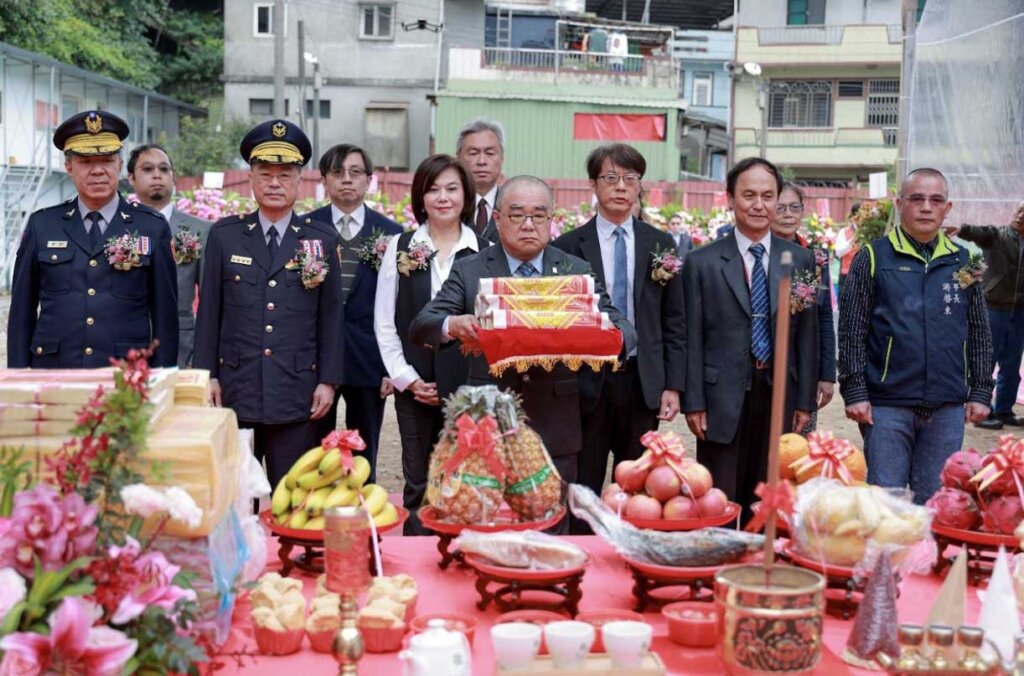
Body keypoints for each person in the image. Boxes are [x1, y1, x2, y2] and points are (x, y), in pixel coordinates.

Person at [410, 176, 637, 530]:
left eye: (539, 215)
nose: (528, 224)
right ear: (498, 219)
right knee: (484, 525)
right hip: (487, 428)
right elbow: (424, 323)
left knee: (552, 524)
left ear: (552, 220)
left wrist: (607, 336)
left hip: (556, 423)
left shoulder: (575, 270)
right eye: (517, 215)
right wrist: (455, 324)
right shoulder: (471, 270)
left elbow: (622, 327)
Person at [193, 119, 344, 488]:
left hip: (295, 390)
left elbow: (331, 319)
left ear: (299, 181)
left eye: (285, 174)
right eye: (265, 174)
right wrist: (207, 375)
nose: (274, 183)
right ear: (251, 178)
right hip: (236, 385)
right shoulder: (225, 236)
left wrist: (328, 380)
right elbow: (209, 313)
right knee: (237, 494)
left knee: (290, 494)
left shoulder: (320, 240)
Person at [838, 168, 993, 505]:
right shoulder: (873, 257)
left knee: (937, 504)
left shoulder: (965, 260)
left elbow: (979, 328)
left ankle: (928, 561)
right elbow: (852, 328)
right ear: (900, 203)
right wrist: (854, 390)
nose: (926, 207)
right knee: (886, 502)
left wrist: (981, 389)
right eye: (917, 199)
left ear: (947, 208)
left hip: (947, 406)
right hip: (886, 404)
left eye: (935, 200)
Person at [552, 143, 685, 520]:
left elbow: (674, 320)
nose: (621, 187)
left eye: (630, 178)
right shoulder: (566, 248)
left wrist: (672, 384)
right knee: (586, 485)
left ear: (640, 185)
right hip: (587, 383)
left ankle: (629, 558)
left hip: (642, 382)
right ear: (593, 185)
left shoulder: (661, 245)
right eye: (610, 178)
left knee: (638, 486)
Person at [683, 158, 818, 519]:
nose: (759, 205)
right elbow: (692, 336)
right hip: (719, 395)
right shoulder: (702, 262)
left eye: (767, 195)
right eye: (749, 195)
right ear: (730, 199)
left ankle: (758, 566)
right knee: (720, 497)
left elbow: (807, 338)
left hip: (778, 391)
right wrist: (693, 400)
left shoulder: (800, 260)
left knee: (767, 494)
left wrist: (804, 400)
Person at [373, 154, 490, 534]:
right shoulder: (400, 246)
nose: (443, 197)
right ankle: (418, 564)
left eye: (452, 189)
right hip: (415, 385)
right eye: (433, 189)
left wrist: (459, 384)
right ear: (420, 197)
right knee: (418, 484)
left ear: (466, 195)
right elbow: (385, 322)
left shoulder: (485, 251)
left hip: (468, 388)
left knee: (464, 480)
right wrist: (405, 379)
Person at [7, 111, 178, 368]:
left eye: (107, 160)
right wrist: (19, 376)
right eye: (86, 161)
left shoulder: (151, 227)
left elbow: (165, 317)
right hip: (55, 371)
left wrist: (163, 378)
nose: (98, 171)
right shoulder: (43, 225)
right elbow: (21, 313)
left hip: (126, 375)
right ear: (69, 167)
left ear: (120, 165)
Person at [305, 144, 403, 484]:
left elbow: (399, 305)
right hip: (315, 360)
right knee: (316, 453)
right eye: (337, 173)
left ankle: (363, 518)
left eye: (355, 173)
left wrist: (393, 364)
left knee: (365, 454)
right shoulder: (306, 229)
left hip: (368, 358)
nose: (346, 180)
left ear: (369, 181)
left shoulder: (391, 234)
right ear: (324, 182)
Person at [127, 144, 211, 368]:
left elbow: (209, 304)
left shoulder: (199, 230)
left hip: (183, 349)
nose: (157, 175)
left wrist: (202, 357)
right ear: (131, 178)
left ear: (173, 178)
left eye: (164, 169)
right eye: (147, 169)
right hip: (126, 345)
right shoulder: (118, 228)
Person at [948, 201, 1024, 430]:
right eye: (1019, 210)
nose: (1021, 215)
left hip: (1019, 312)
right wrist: (960, 229)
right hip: (993, 308)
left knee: (1012, 364)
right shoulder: (998, 237)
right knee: (986, 361)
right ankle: (983, 410)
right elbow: (980, 233)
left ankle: (1004, 410)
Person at [770, 182, 836, 432]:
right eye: (781, 207)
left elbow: (825, 317)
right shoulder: (757, 253)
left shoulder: (816, 257)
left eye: (794, 207)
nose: (788, 214)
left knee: (797, 448)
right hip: (764, 366)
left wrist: (827, 374)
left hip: (804, 367)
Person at [455, 119, 504, 242]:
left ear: (502, 157)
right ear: (458, 158)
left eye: (490, 153)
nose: (482, 161)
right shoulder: (448, 204)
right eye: (473, 153)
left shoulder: (515, 205)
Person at [834, 203, 861, 299]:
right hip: (847, 274)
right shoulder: (844, 232)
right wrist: (852, 241)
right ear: (854, 216)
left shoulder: (871, 231)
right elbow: (838, 252)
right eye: (859, 215)